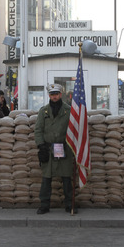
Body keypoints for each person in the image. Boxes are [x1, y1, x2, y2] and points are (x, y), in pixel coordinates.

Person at [34, 84, 74, 215]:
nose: (54, 96)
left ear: (60, 94)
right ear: (49, 95)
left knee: (67, 179)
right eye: (52, 94)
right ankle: (44, 205)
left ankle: (69, 204)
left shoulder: (69, 110)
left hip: (64, 148)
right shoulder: (43, 111)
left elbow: (74, 129)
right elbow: (38, 130)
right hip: (48, 149)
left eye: (56, 94)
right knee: (46, 179)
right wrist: (41, 146)